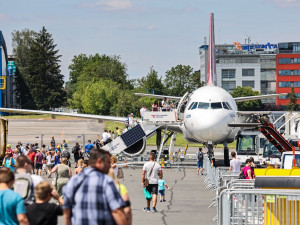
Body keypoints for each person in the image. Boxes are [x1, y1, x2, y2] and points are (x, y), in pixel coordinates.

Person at [63, 148, 128, 225]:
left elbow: (67, 211)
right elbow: (117, 211)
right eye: (107, 162)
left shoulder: (74, 181)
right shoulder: (107, 182)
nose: (109, 166)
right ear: (100, 161)